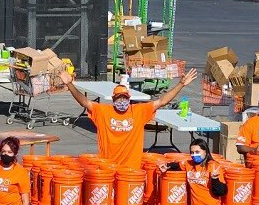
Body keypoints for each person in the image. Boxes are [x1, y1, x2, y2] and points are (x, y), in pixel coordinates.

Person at [59, 67, 199, 169]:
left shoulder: (139, 111)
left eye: (125, 98)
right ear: (113, 99)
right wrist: (69, 84)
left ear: (129, 99)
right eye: (119, 99)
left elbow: (162, 101)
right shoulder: (102, 111)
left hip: (131, 169)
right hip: (107, 168)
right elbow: (84, 102)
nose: (122, 102)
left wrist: (181, 84)